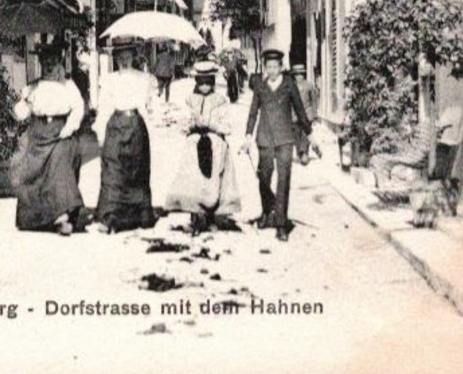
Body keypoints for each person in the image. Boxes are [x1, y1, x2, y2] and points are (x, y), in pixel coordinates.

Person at [241, 48, 320, 241]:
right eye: (269, 66)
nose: (272, 70)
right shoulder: (260, 85)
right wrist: (248, 136)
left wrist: (311, 136)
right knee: (264, 178)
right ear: (266, 68)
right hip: (265, 139)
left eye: (275, 66)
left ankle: (281, 224)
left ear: (281, 67)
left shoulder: (289, 85)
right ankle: (267, 213)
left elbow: (301, 112)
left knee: (284, 181)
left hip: (285, 139)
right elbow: (253, 112)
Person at [11, 45, 85, 235]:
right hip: (38, 135)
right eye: (46, 63)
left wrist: (68, 129)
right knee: (31, 172)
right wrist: (25, 100)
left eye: (53, 62)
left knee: (60, 166)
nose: (50, 66)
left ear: (59, 63)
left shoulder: (68, 85)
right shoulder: (32, 87)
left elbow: (78, 109)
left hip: (61, 133)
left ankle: (62, 216)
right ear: (41, 64)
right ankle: (38, 218)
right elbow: (20, 115)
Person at [166, 60, 242, 234]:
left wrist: (214, 125)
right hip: (194, 144)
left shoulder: (221, 101)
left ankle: (211, 214)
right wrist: (191, 124)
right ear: (196, 82)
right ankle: (195, 213)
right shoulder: (190, 100)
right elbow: (182, 123)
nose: (205, 86)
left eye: (208, 82)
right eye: (201, 82)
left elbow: (228, 126)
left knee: (213, 180)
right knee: (194, 179)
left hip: (215, 144)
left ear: (213, 82)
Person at [94, 41, 156, 233]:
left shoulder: (145, 79)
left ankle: (140, 213)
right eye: (120, 56)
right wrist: (100, 132)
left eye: (128, 56)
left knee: (137, 169)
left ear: (134, 56)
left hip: (136, 125)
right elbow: (104, 107)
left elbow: (152, 107)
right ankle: (110, 215)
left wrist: (151, 126)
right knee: (113, 170)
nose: (124, 60)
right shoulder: (109, 80)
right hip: (115, 125)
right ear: (116, 58)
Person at [290, 63, 318, 165]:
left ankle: (304, 153)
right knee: (296, 134)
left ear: (304, 75)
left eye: (301, 74)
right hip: (295, 115)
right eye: (296, 75)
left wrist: (314, 114)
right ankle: (299, 152)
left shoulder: (309, 86)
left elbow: (314, 100)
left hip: (307, 113)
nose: (299, 77)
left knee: (306, 133)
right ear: (294, 76)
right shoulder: (291, 87)